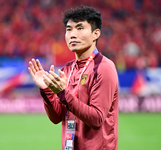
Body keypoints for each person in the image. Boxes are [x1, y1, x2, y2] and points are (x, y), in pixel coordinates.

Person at [28, 5, 118, 150]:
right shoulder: (67, 69)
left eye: (80, 28)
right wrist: (46, 90)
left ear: (95, 34)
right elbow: (57, 117)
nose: (72, 34)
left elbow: (97, 119)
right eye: (69, 29)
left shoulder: (104, 68)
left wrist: (64, 93)